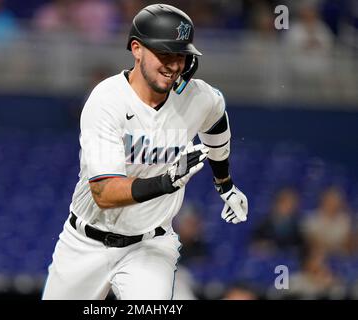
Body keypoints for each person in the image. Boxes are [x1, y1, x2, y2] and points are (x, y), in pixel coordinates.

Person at [42, 4, 248, 300]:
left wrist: (224, 184)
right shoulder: (107, 100)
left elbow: (217, 120)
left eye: (181, 55)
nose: (174, 64)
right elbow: (104, 193)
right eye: (164, 53)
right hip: (84, 242)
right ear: (136, 49)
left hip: (149, 247)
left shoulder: (198, 97)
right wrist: (166, 181)